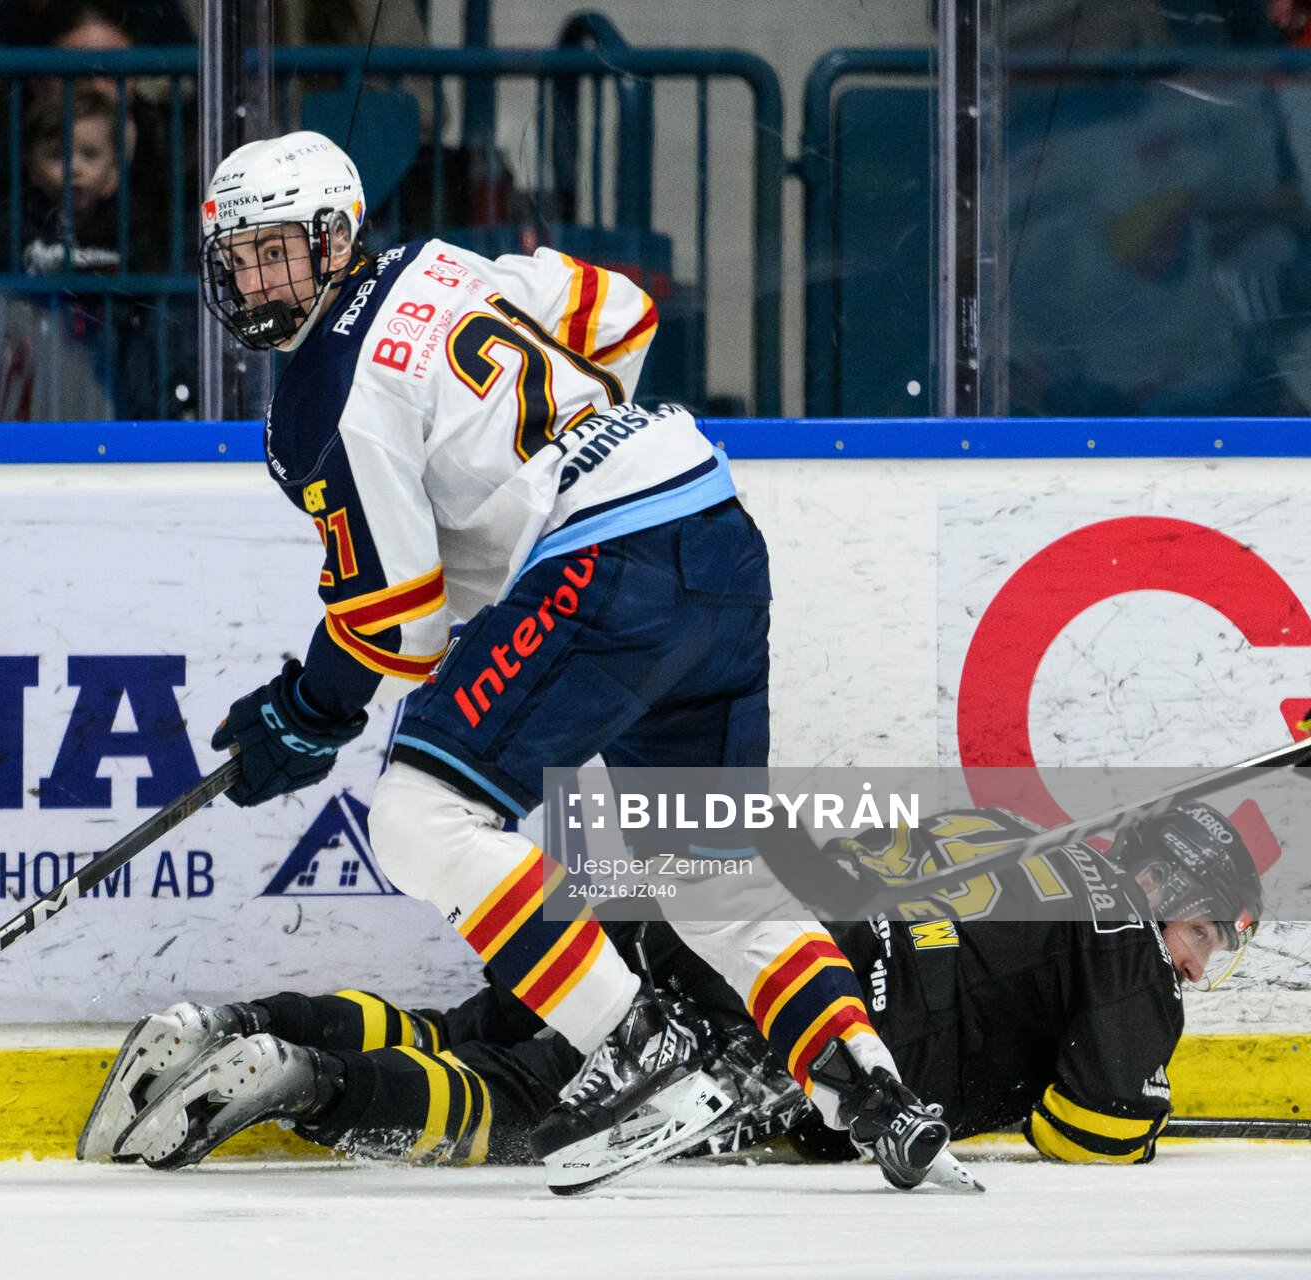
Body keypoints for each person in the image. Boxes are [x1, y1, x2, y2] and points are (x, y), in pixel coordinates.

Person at [184, 130, 959, 1194]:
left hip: (609, 561)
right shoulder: (443, 267)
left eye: (277, 250)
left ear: (337, 237)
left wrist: (306, 710)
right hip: (712, 522)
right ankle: (872, 1089)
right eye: (239, 257)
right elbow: (622, 311)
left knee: (419, 818)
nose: (257, 279)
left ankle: (634, 1046)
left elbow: (398, 626)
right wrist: (562, 451)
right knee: (708, 871)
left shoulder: (320, 394)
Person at [80, 801, 1264, 1178]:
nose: (1200, 964)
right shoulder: (1129, 949)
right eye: (1206, 933)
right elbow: (1094, 1131)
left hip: (718, 905)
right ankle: (310, 1080)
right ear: (1166, 888)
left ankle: (233, 1021)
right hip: (790, 1011)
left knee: (466, 1024)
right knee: (527, 1102)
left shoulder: (1003, 828)